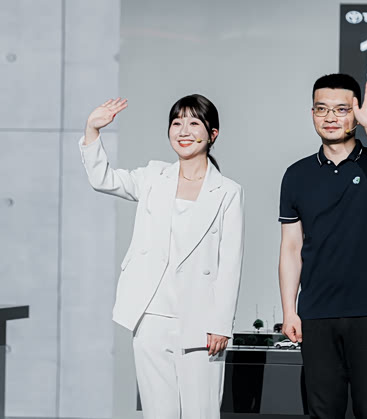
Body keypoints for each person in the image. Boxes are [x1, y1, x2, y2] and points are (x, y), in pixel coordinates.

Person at [79, 95, 244, 419]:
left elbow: (230, 263)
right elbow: (103, 179)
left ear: (213, 134)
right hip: (151, 314)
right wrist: (92, 130)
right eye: (177, 122)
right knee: (157, 413)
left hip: (201, 319)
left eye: (194, 122)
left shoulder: (228, 191)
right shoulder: (153, 177)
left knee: (201, 412)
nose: (183, 130)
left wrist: (221, 324)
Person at [278, 74, 367, 418]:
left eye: (341, 109)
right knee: (322, 412)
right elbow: (290, 248)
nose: (330, 117)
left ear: (356, 113)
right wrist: (290, 310)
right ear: (312, 113)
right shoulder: (297, 175)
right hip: (317, 312)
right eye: (322, 109)